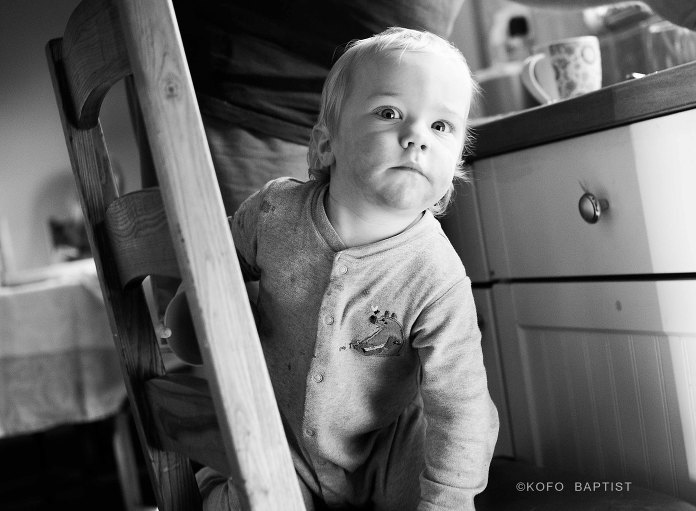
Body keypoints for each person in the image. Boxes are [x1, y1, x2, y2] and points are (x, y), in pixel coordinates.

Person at [168, 27, 499, 510]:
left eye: (441, 127)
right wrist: (191, 317)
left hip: (384, 454)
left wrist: (446, 500)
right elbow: (201, 300)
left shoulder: (438, 276)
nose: (416, 138)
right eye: (389, 113)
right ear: (326, 145)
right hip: (283, 446)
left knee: (434, 453)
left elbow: (462, 408)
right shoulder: (273, 212)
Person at [143, 0, 696, 215]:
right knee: (268, 366)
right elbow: (195, 336)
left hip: (317, 124)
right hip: (254, 114)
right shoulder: (271, 212)